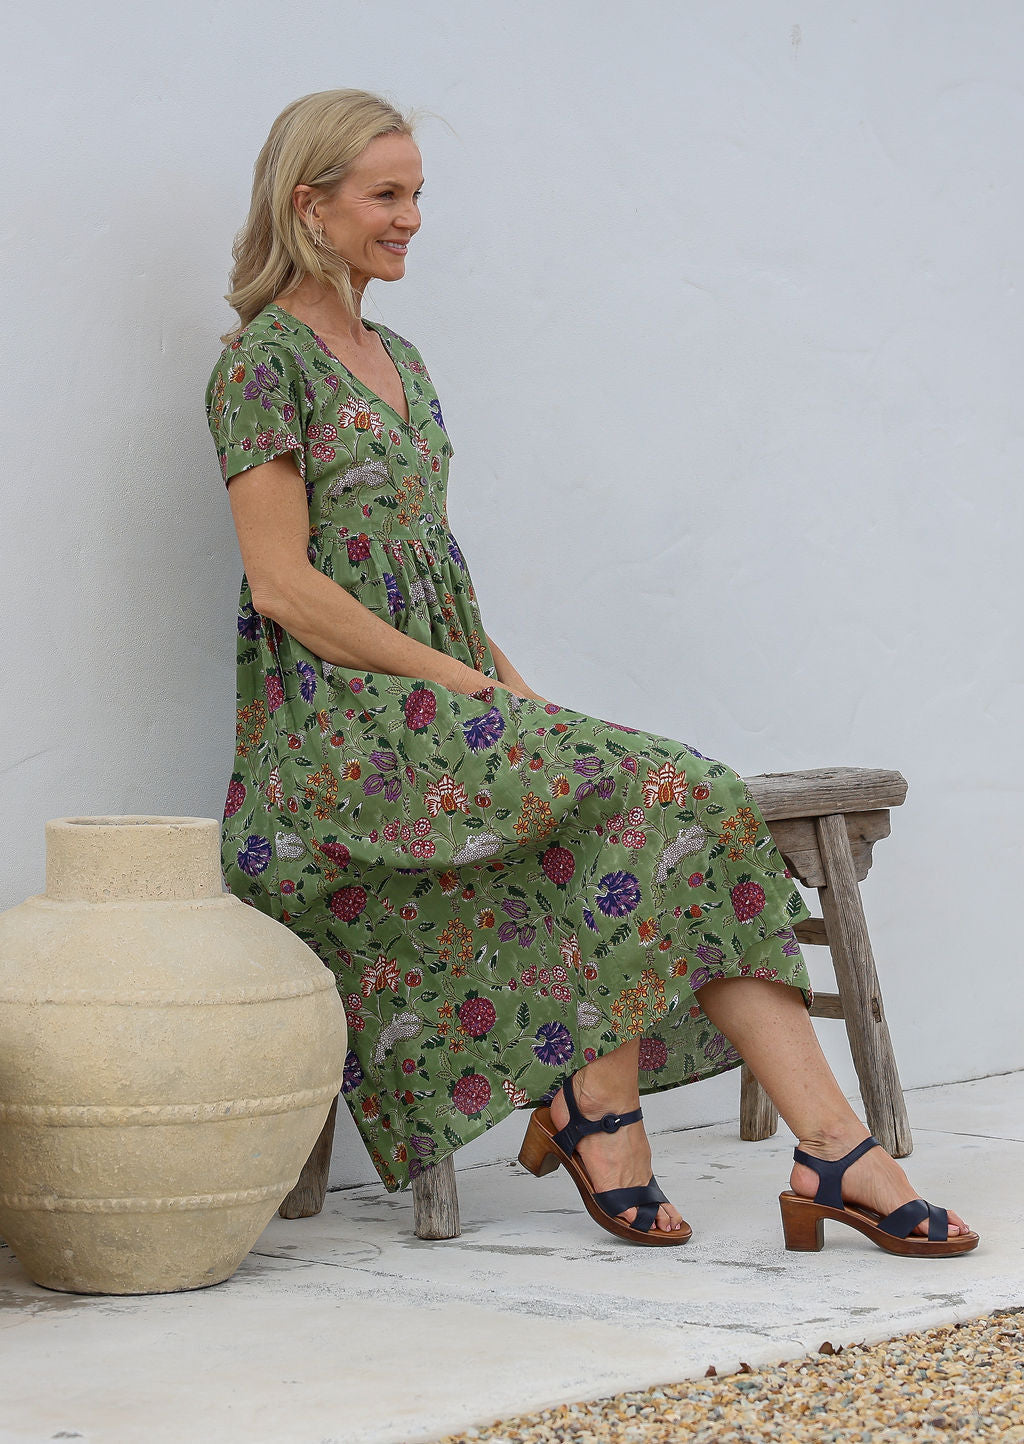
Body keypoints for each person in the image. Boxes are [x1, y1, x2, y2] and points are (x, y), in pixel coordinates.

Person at [204, 88, 975, 1254]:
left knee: (683, 791)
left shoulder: (398, 356)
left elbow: (431, 569)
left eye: (418, 194)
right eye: (387, 195)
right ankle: (641, 1116)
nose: (412, 218)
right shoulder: (264, 365)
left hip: (440, 705)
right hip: (337, 738)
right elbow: (287, 587)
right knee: (661, 789)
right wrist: (469, 690)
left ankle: (814, 1142)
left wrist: (510, 687)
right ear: (309, 206)